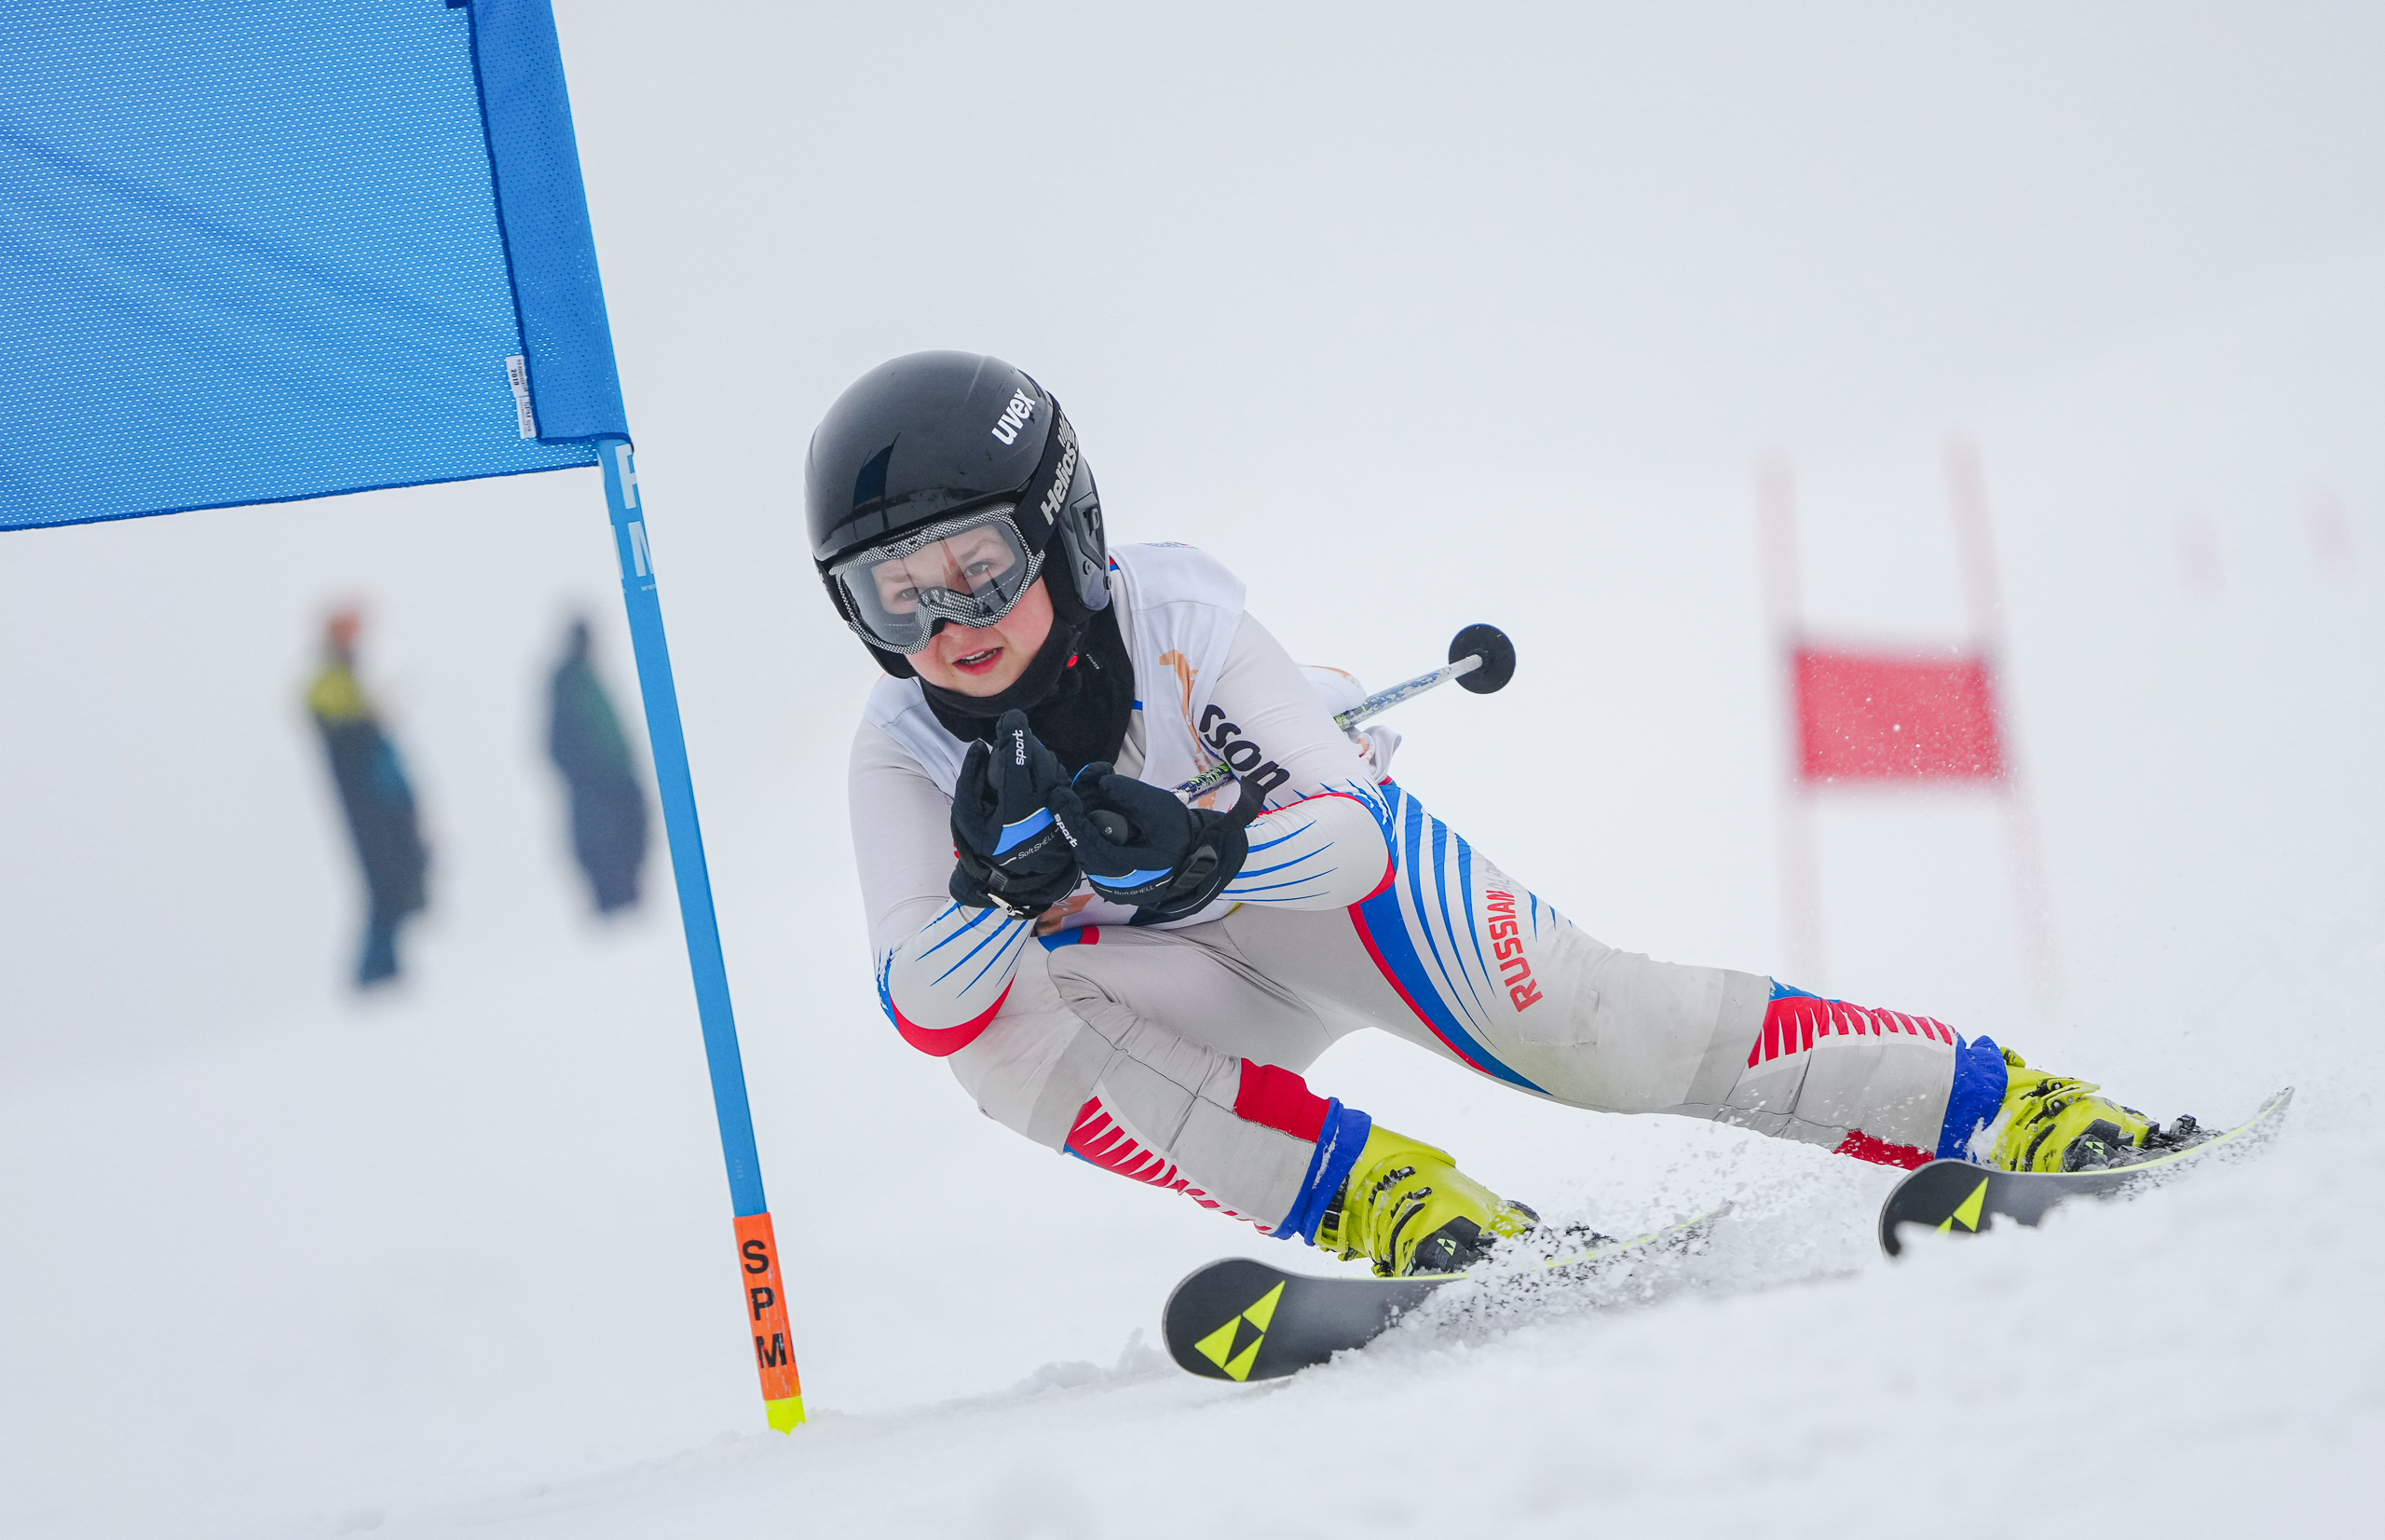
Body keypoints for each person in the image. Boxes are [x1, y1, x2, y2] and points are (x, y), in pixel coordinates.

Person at [822, 352, 2192, 1277]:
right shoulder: (900, 761)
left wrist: (1210, 845)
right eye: (900, 595)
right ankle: (1403, 1202)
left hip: (1323, 910)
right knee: (1000, 1040)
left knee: (1599, 1036)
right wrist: (993, 895)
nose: (951, 622)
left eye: (980, 569)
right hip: (1176, 990)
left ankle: (2002, 1101)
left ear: (1057, 527)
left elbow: (1352, 831)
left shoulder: (1178, 618)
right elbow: (926, 1002)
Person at [307, 607, 429, 988]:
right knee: (385, 888)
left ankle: (385, 969)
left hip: (384, 806)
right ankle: (375, 973)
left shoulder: (348, 682)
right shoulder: (331, 684)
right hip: (371, 809)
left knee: (399, 884)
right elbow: (339, 725)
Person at [547, 618, 649, 914]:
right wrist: (592, 774)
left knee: (631, 834)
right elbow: (558, 743)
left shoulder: (589, 678)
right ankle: (614, 906)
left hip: (616, 778)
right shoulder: (568, 683)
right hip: (599, 785)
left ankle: (631, 904)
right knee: (607, 845)